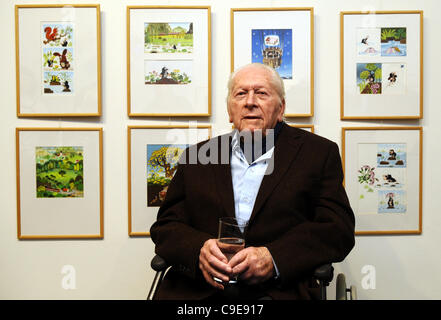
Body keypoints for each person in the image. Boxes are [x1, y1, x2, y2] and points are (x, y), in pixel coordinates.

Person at [150, 63, 355, 300]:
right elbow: (165, 227)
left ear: (281, 108)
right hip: (199, 291)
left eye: (261, 93)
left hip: (278, 291)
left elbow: (338, 230)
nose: (250, 102)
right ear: (230, 109)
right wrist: (198, 250)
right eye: (240, 93)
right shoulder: (197, 157)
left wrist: (274, 257)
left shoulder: (318, 154)